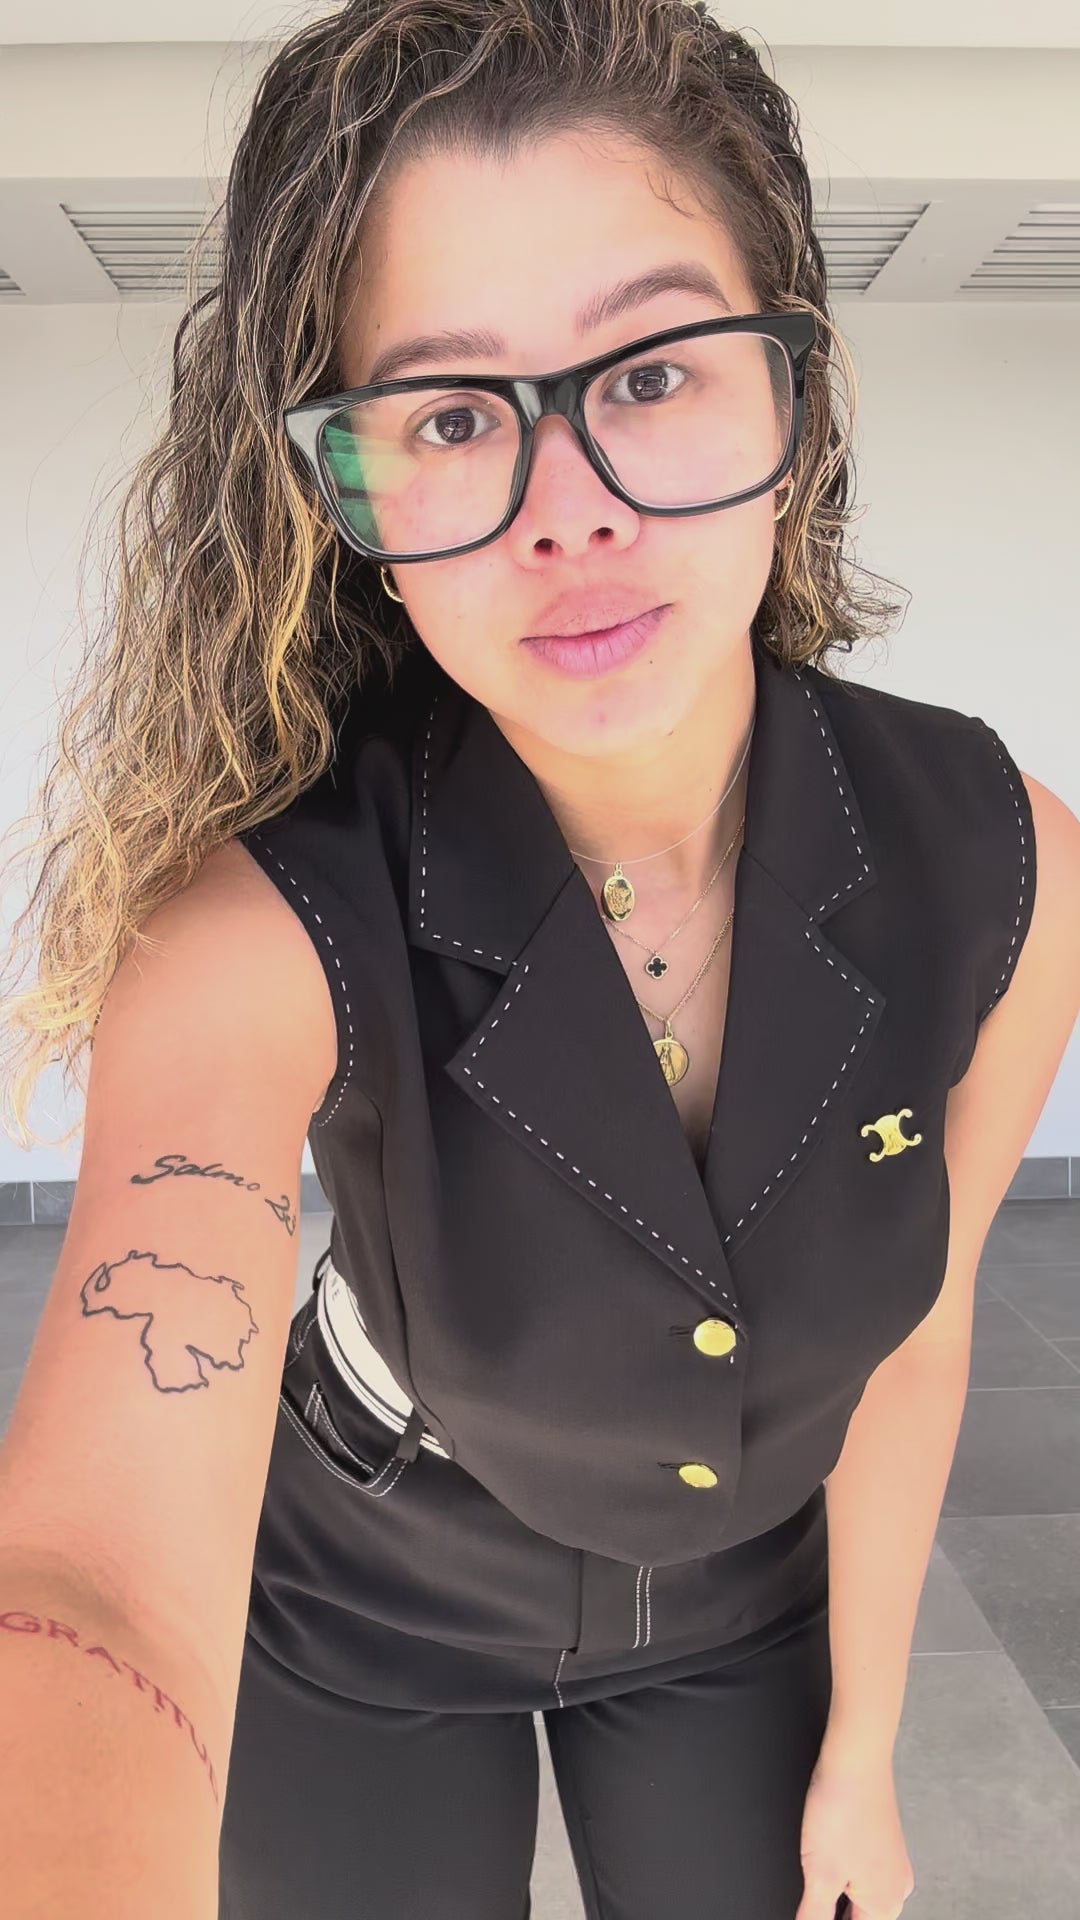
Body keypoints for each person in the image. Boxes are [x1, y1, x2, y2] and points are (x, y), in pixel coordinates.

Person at [1, 3, 1078, 1918]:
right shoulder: (262, 923)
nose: (572, 508)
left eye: (651, 372)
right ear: (349, 502)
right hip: (363, 1591)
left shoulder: (1001, 861)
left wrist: (863, 1752)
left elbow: (917, 1335)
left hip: (750, 1604)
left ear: (796, 402)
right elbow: (92, 1572)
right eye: (448, 415)